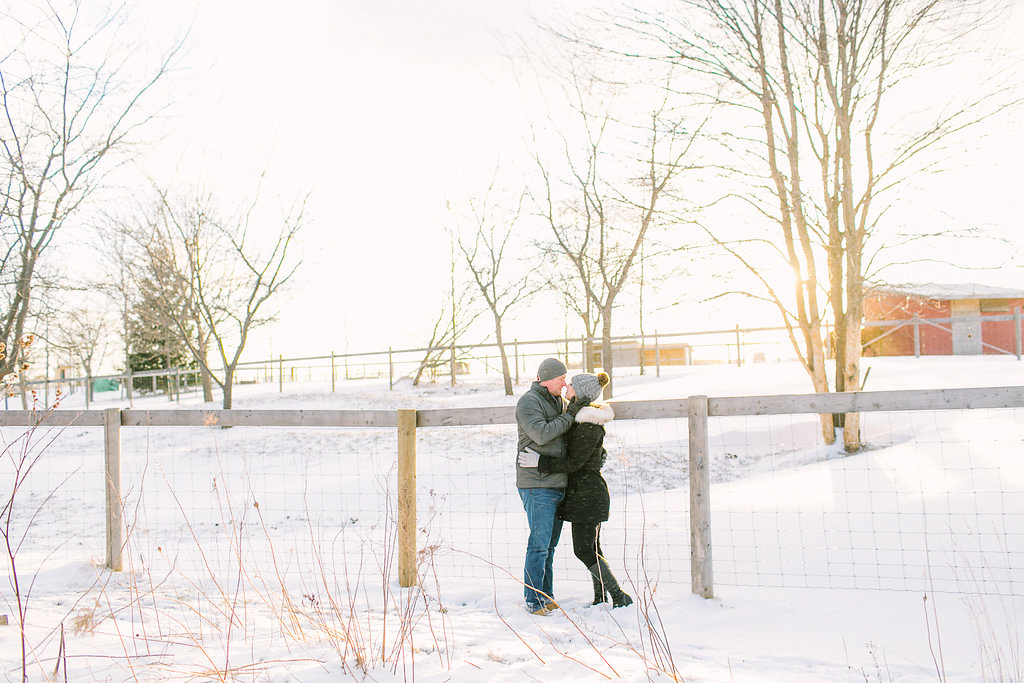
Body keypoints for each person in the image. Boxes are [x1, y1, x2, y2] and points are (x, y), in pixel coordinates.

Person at [518, 372, 633, 608]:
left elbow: (573, 463)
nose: (566, 385)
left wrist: (539, 463)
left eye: (571, 384)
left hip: (588, 495)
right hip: (582, 493)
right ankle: (600, 597)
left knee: (583, 550)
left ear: (580, 392)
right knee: (592, 547)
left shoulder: (588, 424)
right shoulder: (580, 419)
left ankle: (619, 595)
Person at [515, 357, 585, 615]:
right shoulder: (529, 402)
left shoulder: (558, 401)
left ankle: (546, 595)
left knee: (550, 545)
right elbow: (542, 434)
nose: (564, 383)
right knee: (539, 543)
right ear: (545, 379)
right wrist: (569, 413)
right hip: (536, 484)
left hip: (556, 481)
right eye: (560, 379)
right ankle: (533, 600)